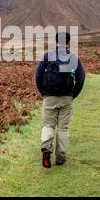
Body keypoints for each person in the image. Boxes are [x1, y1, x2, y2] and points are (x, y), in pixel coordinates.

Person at [35, 32, 85, 168]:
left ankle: (46, 149)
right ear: (68, 42)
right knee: (63, 128)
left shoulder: (47, 56)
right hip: (67, 97)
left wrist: (44, 93)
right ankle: (60, 157)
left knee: (48, 126)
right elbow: (81, 78)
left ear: (56, 41)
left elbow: (38, 76)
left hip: (49, 97)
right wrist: (73, 95)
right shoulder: (73, 57)